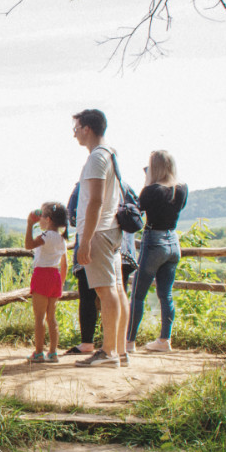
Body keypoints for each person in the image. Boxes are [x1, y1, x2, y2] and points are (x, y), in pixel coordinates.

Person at [71, 109, 131, 368]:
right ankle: (119, 351)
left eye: (76, 127)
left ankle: (108, 353)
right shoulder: (110, 154)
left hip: (98, 231)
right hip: (111, 230)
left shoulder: (97, 158)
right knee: (117, 290)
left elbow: (94, 201)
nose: (73, 132)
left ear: (87, 128)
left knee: (106, 293)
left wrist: (85, 241)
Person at [64, 183, 136, 355]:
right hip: (124, 246)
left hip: (96, 240)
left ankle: (89, 343)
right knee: (120, 293)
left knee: (88, 296)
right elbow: (137, 211)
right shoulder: (124, 186)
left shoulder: (85, 184)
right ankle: (119, 346)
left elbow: (73, 216)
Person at [128, 150, 187, 352]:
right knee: (166, 294)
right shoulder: (182, 188)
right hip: (173, 242)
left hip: (154, 241)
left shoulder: (151, 190)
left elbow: (138, 209)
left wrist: (147, 181)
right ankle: (164, 340)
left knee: (138, 294)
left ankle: (129, 343)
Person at [25, 201, 70, 362]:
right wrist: (61, 283)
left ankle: (38, 352)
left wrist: (30, 224)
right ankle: (53, 352)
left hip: (42, 276)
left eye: (41, 215)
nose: (40, 219)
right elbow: (65, 264)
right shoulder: (62, 239)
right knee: (51, 318)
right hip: (55, 277)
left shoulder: (45, 237)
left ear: (49, 219)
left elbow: (28, 245)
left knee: (39, 318)